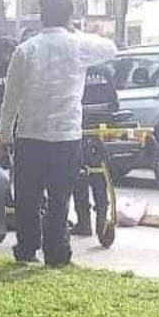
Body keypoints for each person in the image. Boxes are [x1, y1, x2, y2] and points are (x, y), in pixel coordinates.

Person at [0, 0, 118, 267]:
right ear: (69, 16)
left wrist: (5, 136)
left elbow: (10, 99)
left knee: (27, 197)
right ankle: (58, 252)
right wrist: (74, 30)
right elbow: (111, 48)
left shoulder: (25, 50)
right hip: (66, 137)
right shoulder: (80, 46)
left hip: (30, 136)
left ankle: (27, 247)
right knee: (59, 197)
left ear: (41, 16)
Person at [71, 59, 118, 237]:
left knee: (80, 176)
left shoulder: (75, 70)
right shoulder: (104, 71)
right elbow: (114, 102)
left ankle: (84, 223)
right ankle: (101, 221)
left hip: (79, 130)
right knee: (100, 176)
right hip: (100, 132)